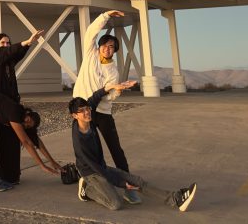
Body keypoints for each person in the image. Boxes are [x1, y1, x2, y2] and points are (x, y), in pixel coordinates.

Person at [69, 83, 197, 212]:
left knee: (137, 181)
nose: (87, 112)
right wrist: (120, 183)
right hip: (91, 173)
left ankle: (176, 198)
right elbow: (96, 168)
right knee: (115, 204)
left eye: (87, 108)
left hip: (100, 166)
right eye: (82, 111)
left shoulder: (88, 120)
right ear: (75, 116)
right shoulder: (80, 141)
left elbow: (95, 97)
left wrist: (113, 86)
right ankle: (87, 190)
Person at [72, 10, 139, 203]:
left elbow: (109, 97)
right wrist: (106, 15)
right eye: (106, 45)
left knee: (115, 149)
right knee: (90, 151)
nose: (108, 49)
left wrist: (117, 90)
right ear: (100, 45)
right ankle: (88, 181)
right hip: (83, 112)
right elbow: (91, 31)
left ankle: (129, 186)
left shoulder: (113, 70)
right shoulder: (90, 54)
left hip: (101, 112)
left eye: (112, 48)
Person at [0, 86, 59, 191]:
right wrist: (42, 166)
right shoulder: (15, 112)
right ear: (28, 113)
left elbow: (36, 141)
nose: (26, 124)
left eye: (28, 126)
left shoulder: (22, 119)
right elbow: (26, 142)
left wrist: (52, 162)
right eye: (28, 120)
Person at [0, 29, 50, 184]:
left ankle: (14, 175)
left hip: (13, 108)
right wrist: (26, 42)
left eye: (8, 42)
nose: (6, 45)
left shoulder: (9, 63)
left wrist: (29, 44)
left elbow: (17, 54)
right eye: (2, 43)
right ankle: (1, 175)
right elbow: (8, 53)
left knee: (15, 144)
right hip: (1, 109)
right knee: (3, 144)